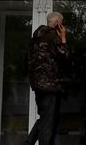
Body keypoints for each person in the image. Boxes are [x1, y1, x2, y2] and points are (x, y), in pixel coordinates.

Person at [26, 11, 69, 145]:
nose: (62, 26)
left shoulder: (35, 39)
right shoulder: (53, 37)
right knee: (47, 124)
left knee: (45, 119)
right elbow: (65, 56)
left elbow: (27, 61)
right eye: (61, 24)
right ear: (57, 24)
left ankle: (28, 143)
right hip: (51, 85)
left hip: (38, 85)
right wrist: (63, 38)